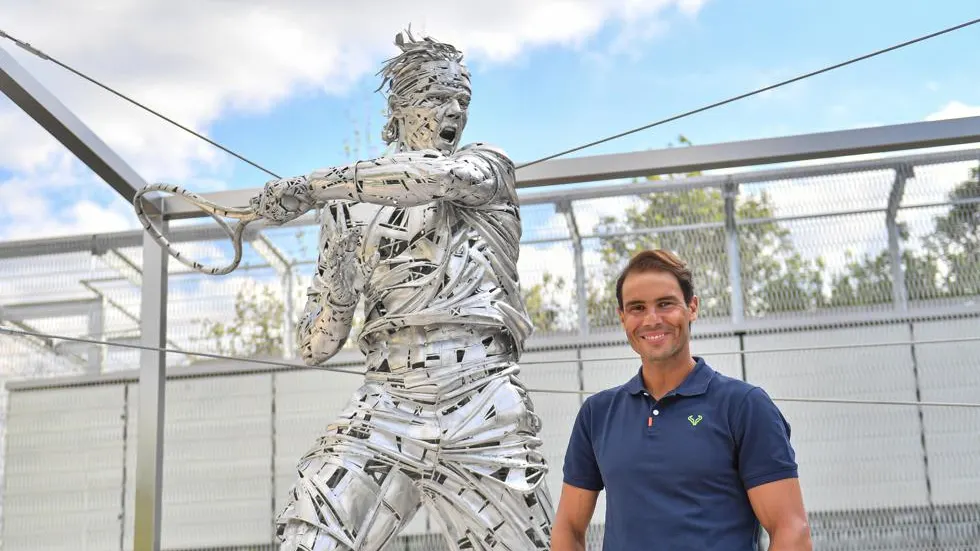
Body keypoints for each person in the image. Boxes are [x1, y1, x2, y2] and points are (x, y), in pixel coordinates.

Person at [251, 30, 554, 551]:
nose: (453, 111)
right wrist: (342, 290)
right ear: (400, 108)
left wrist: (306, 187)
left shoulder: (486, 170)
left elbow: (429, 179)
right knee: (309, 534)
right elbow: (314, 347)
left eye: (462, 100)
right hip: (386, 401)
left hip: (480, 402)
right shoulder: (346, 210)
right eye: (437, 98)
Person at [551, 249, 812, 550]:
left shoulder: (744, 406)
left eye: (665, 304)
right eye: (637, 308)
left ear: (692, 307)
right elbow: (568, 528)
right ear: (622, 317)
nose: (652, 319)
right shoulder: (597, 414)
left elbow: (792, 530)